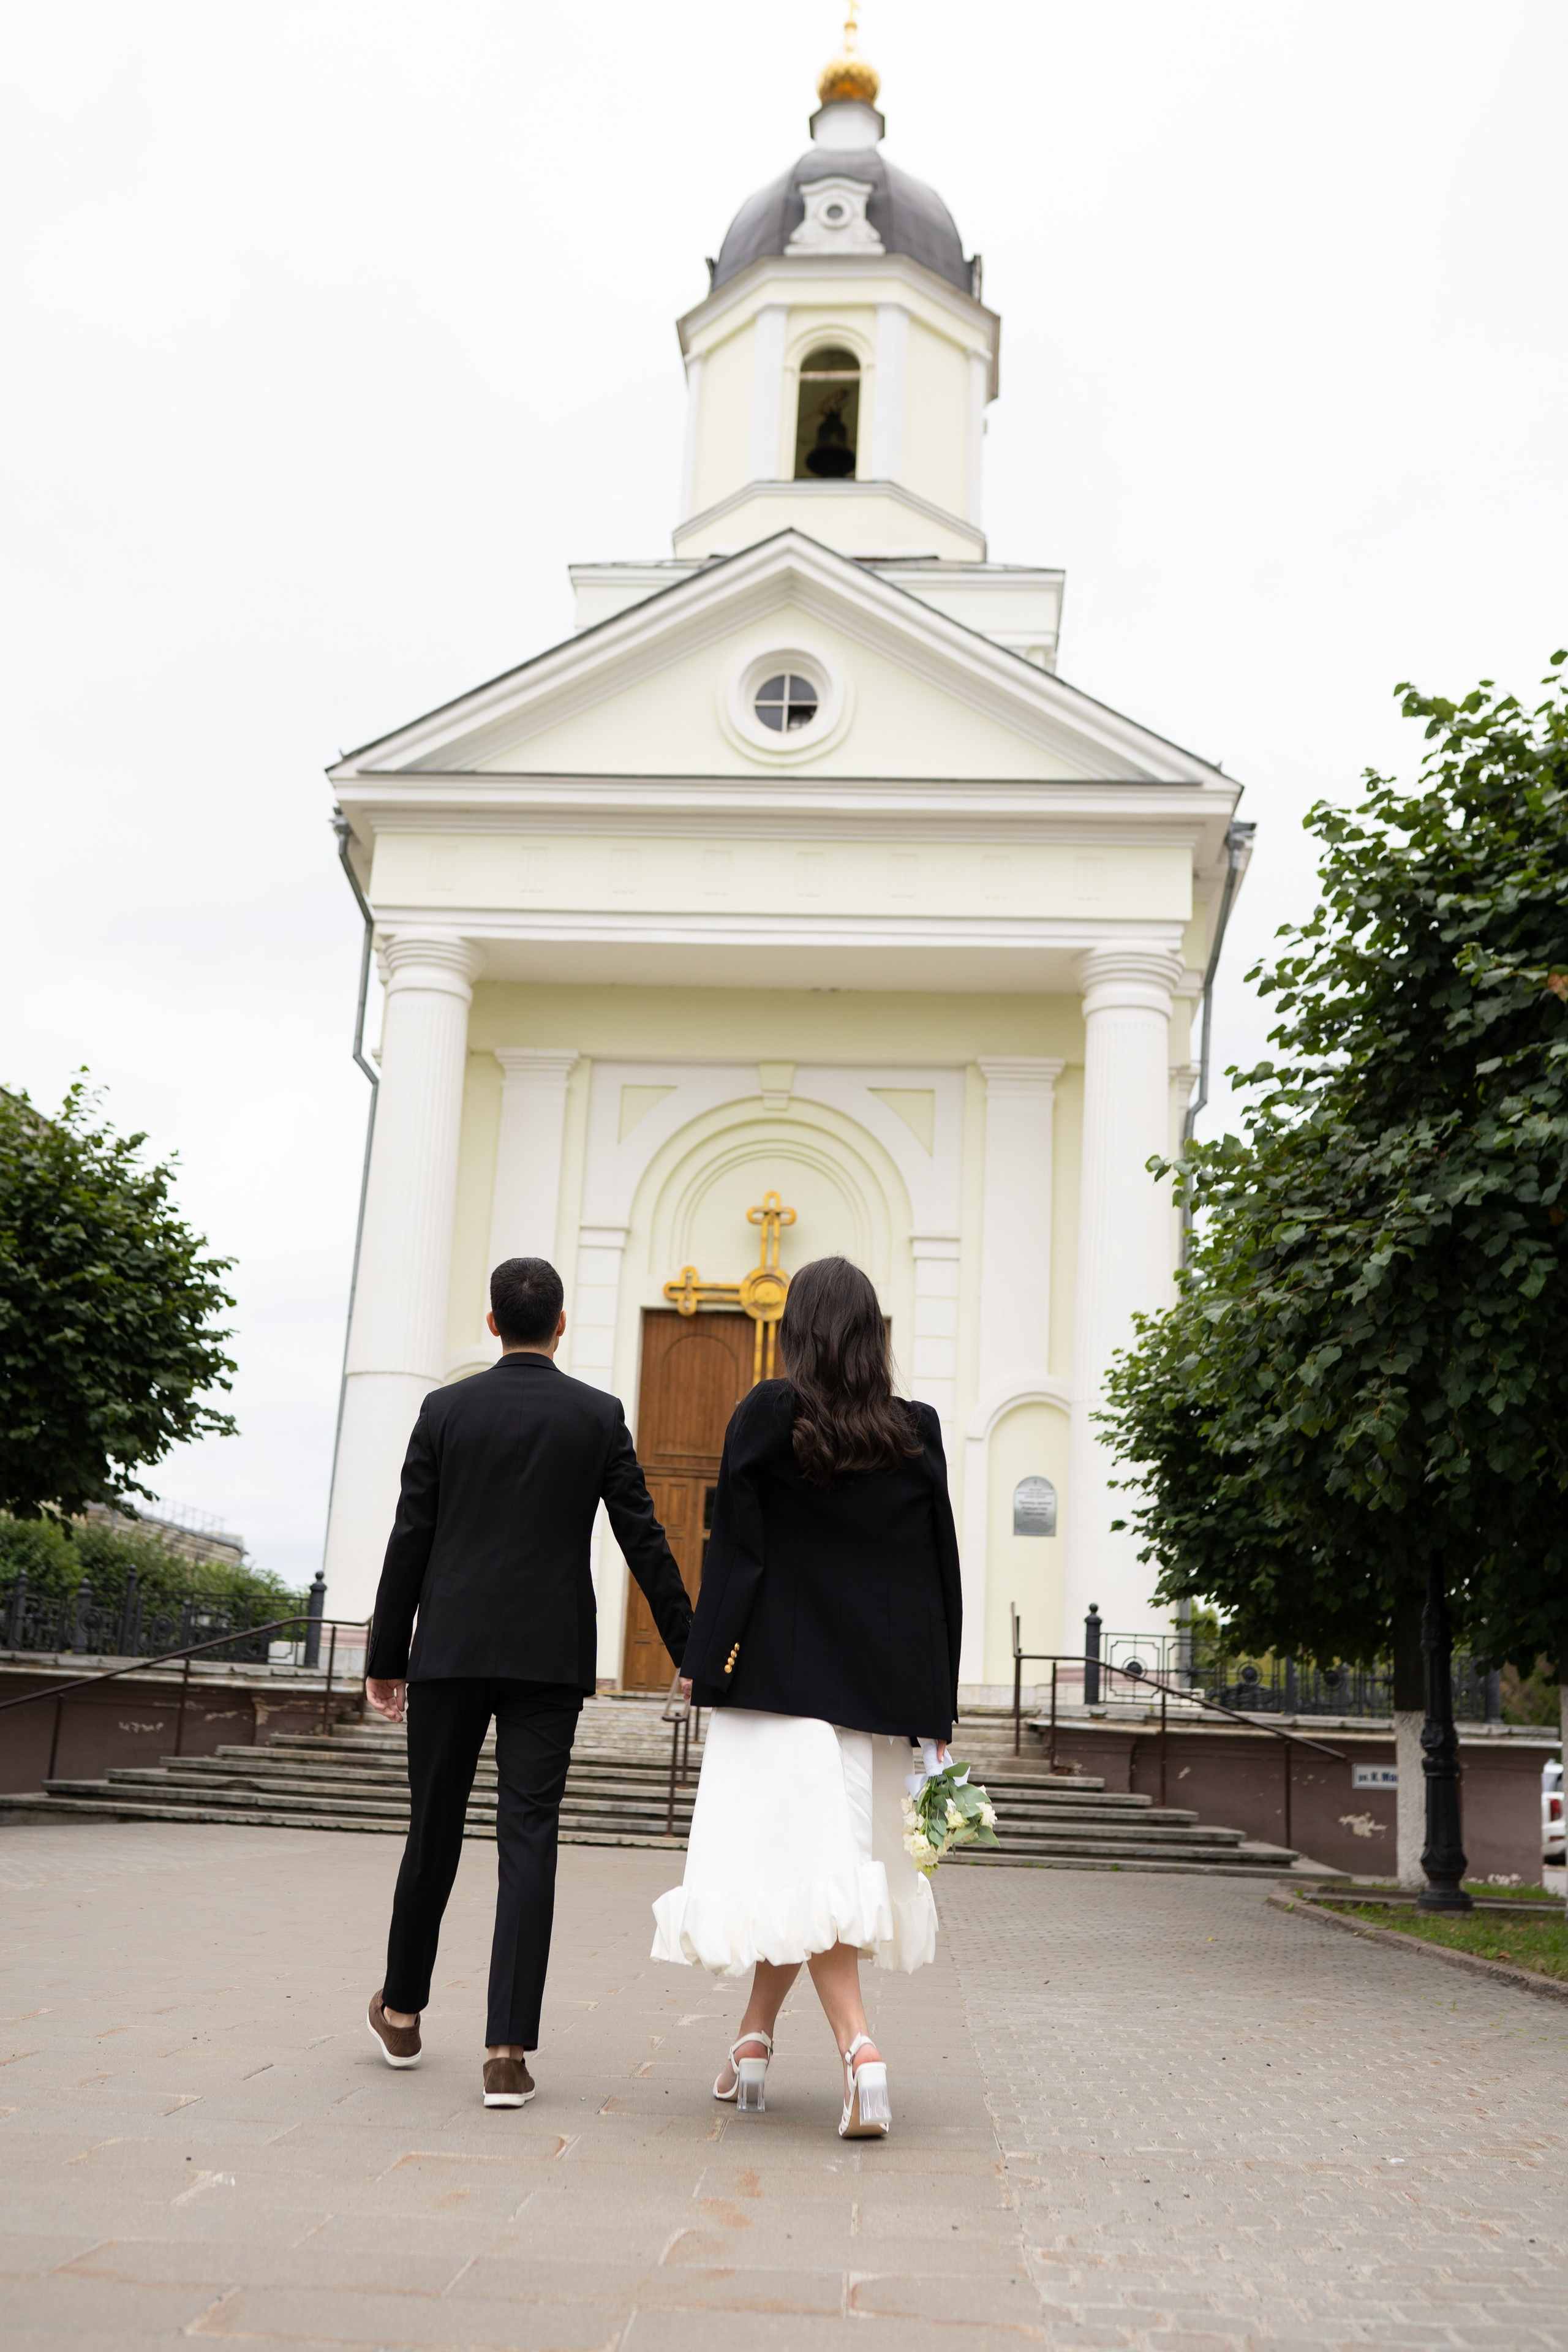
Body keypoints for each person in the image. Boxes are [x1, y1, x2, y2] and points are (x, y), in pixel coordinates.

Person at [361, 1256, 692, 2109]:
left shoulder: (445, 1410)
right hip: (548, 1656)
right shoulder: (596, 1416)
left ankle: (401, 2011)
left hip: (452, 1651)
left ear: (491, 1322)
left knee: (431, 1829)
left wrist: (385, 1657)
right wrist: (690, 1644)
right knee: (529, 1840)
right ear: (562, 1324)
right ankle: (506, 2051)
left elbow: (411, 1538)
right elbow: (643, 1536)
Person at [652, 1256, 961, 2139]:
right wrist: (933, 1709)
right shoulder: (916, 1430)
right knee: (805, 1876)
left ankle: (861, 2052)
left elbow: (737, 1554)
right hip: (872, 1697)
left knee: (811, 1875)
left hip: (777, 1694)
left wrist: (702, 1667)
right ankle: (752, 2040)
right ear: (873, 1335)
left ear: (797, 1331)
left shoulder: (766, 1413)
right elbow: (940, 1575)